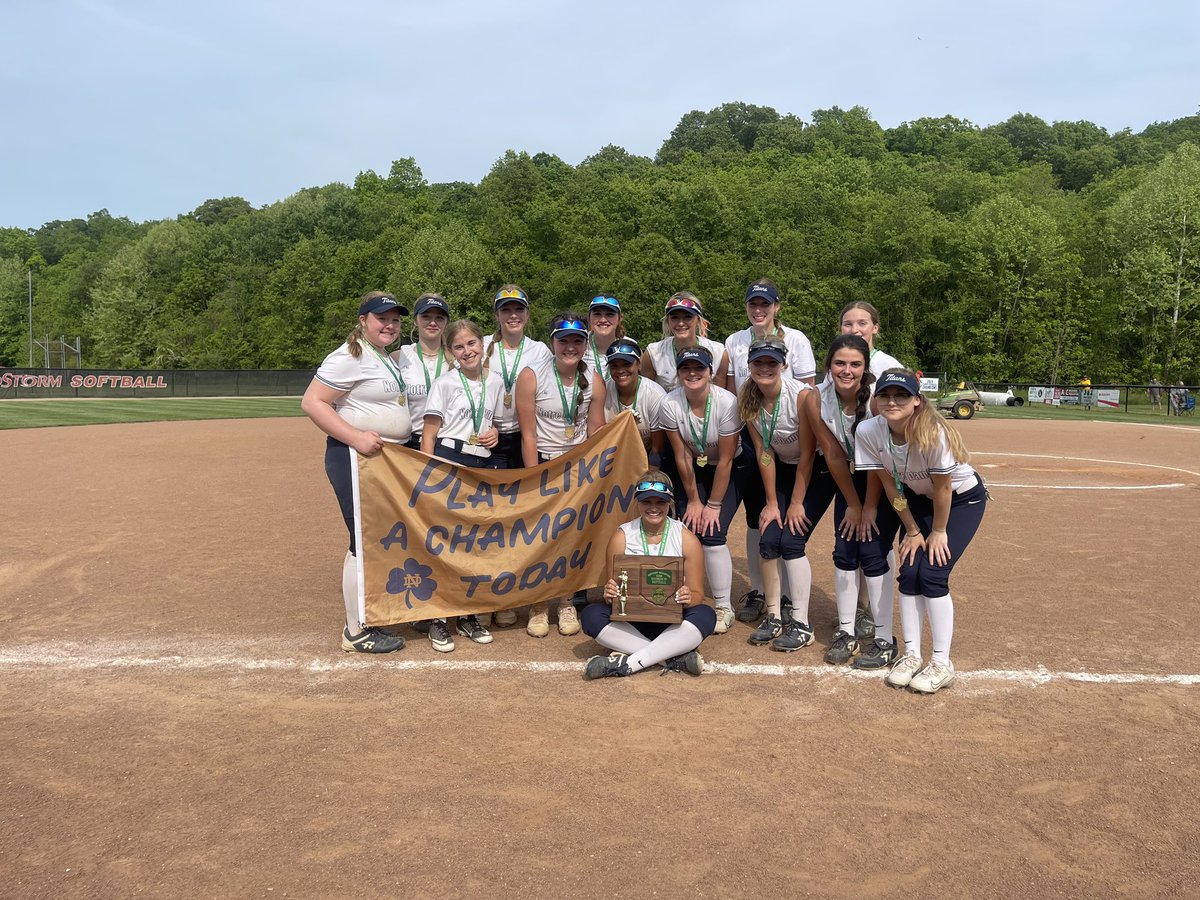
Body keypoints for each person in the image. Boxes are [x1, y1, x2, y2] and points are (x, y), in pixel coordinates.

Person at [854, 370, 988, 694]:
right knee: (909, 573)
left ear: (916, 400)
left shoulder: (932, 431)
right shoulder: (869, 431)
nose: (892, 401)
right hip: (919, 502)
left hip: (960, 501)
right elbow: (891, 485)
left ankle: (942, 662)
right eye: (885, 395)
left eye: (901, 395)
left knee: (932, 573)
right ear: (876, 399)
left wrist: (938, 531)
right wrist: (912, 530)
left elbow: (944, 488)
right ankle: (912, 656)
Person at [300, 291, 412, 654]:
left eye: (395, 319)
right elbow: (312, 401)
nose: (390, 324)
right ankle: (356, 630)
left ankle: (371, 617)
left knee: (375, 539)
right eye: (382, 318)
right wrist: (355, 438)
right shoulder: (349, 355)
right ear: (363, 321)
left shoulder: (383, 357)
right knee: (361, 542)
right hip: (353, 457)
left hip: (383, 460)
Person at [724, 278, 817, 626]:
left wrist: (792, 500)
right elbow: (733, 392)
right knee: (760, 518)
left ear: (777, 306)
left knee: (791, 531)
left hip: (797, 444)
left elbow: (807, 396)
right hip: (761, 440)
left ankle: (793, 602)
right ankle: (763, 594)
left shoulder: (797, 342)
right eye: (753, 304)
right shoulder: (735, 342)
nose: (759, 310)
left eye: (766, 304)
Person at [809, 335, 900, 669]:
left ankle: (883, 637)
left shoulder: (877, 400)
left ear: (866, 368)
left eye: (855, 364)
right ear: (829, 365)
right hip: (847, 479)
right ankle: (846, 631)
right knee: (845, 549)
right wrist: (853, 503)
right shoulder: (814, 398)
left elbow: (881, 458)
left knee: (874, 551)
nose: (846, 371)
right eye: (839, 363)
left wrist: (870, 506)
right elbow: (832, 454)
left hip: (882, 477)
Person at [516, 312, 608, 638]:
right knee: (541, 537)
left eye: (577, 340)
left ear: (585, 343)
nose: (570, 347)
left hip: (577, 467)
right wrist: (532, 478)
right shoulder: (532, 376)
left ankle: (566, 600)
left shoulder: (595, 379)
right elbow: (527, 434)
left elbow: (595, 431)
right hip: (544, 464)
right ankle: (539, 603)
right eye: (563, 340)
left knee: (571, 535)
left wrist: (592, 474)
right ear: (552, 341)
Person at [419, 319, 506, 651]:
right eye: (459, 346)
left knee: (472, 541)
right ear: (450, 352)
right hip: (448, 460)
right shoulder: (445, 383)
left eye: (472, 344)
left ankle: (467, 614)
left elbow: (492, 423)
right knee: (444, 541)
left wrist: (495, 434)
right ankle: (438, 618)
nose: (467, 351)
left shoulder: (495, 382)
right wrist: (428, 474)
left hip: (480, 463)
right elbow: (429, 433)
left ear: (482, 346)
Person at [582, 471, 714, 678]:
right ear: (637, 503)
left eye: (660, 502)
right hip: (633, 621)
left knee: (706, 615)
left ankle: (627, 664)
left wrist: (689, 598)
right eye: (647, 502)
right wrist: (610, 594)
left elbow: (698, 594)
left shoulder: (686, 539)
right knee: (591, 616)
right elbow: (614, 594)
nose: (654, 508)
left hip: (673, 621)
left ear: (669, 503)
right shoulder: (622, 536)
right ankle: (673, 658)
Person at [660, 345, 743, 631]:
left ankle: (722, 606)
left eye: (699, 368)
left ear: (710, 372)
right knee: (687, 528)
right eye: (686, 368)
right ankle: (681, 598)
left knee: (713, 530)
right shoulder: (670, 403)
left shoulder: (727, 401)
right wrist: (694, 500)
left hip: (728, 468)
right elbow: (681, 455)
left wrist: (714, 504)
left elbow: (727, 458)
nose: (692, 373)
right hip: (693, 468)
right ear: (678, 372)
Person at [838, 300, 905, 640]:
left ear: (875, 327)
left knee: (877, 542)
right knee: (855, 541)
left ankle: (871, 609)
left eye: (862, 323)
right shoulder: (841, 363)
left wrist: (871, 503)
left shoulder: (887, 366)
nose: (855, 330)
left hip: (886, 468)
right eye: (848, 324)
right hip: (855, 467)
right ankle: (861, 610)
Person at [736, 337, 809, 646]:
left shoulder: (802, 397)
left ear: (784, 364)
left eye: (771, 362)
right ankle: (775, 614)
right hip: (780, 470)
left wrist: (794, 503)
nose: (765, 368)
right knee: (768, 537)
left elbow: (809, 453)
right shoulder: (748, 398)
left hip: (810, 471)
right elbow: (764, 450)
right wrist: (771, 502)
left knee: (791, 539)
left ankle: (801, 622)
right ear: (749, 366)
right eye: (758, 362)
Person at [484, 284, 553, 471]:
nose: (513, 315)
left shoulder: (540, 350)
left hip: (527, 439)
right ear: (497, 315)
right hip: (489, 437)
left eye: (519, 309)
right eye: (505, 310)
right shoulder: (481, 346)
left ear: (527, 314)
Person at [643, 292, 731, 392]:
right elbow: (648, 394)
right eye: (674, 317)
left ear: (698, 320)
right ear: (668, 321)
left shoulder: (718, 353)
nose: (681, 323)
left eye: (688, 317)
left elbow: (720, 395)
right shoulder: (653, 354)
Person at [397, 293, 452, 451]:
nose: (433, 323)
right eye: (426, 316)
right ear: (416, 320)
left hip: (447, 443)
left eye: (439, 318)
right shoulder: (400, 357)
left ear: (446, 322)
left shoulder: (458, 360)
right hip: (410, 442)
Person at [602, 337, 668, 467]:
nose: (620, 370)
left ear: (639, 364)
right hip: (612, 458)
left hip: (648, 456)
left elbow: (657, 449)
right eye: (614, 366)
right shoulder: (603, 391)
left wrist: (647, 478)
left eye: (627, 364)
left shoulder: (655, 395)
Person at [585, 294, 625, 382]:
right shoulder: (578, 346)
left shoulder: (629, 347)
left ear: (620, 318)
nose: (603, 320)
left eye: (610, 314)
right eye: (597, 314)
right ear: (588, 318)